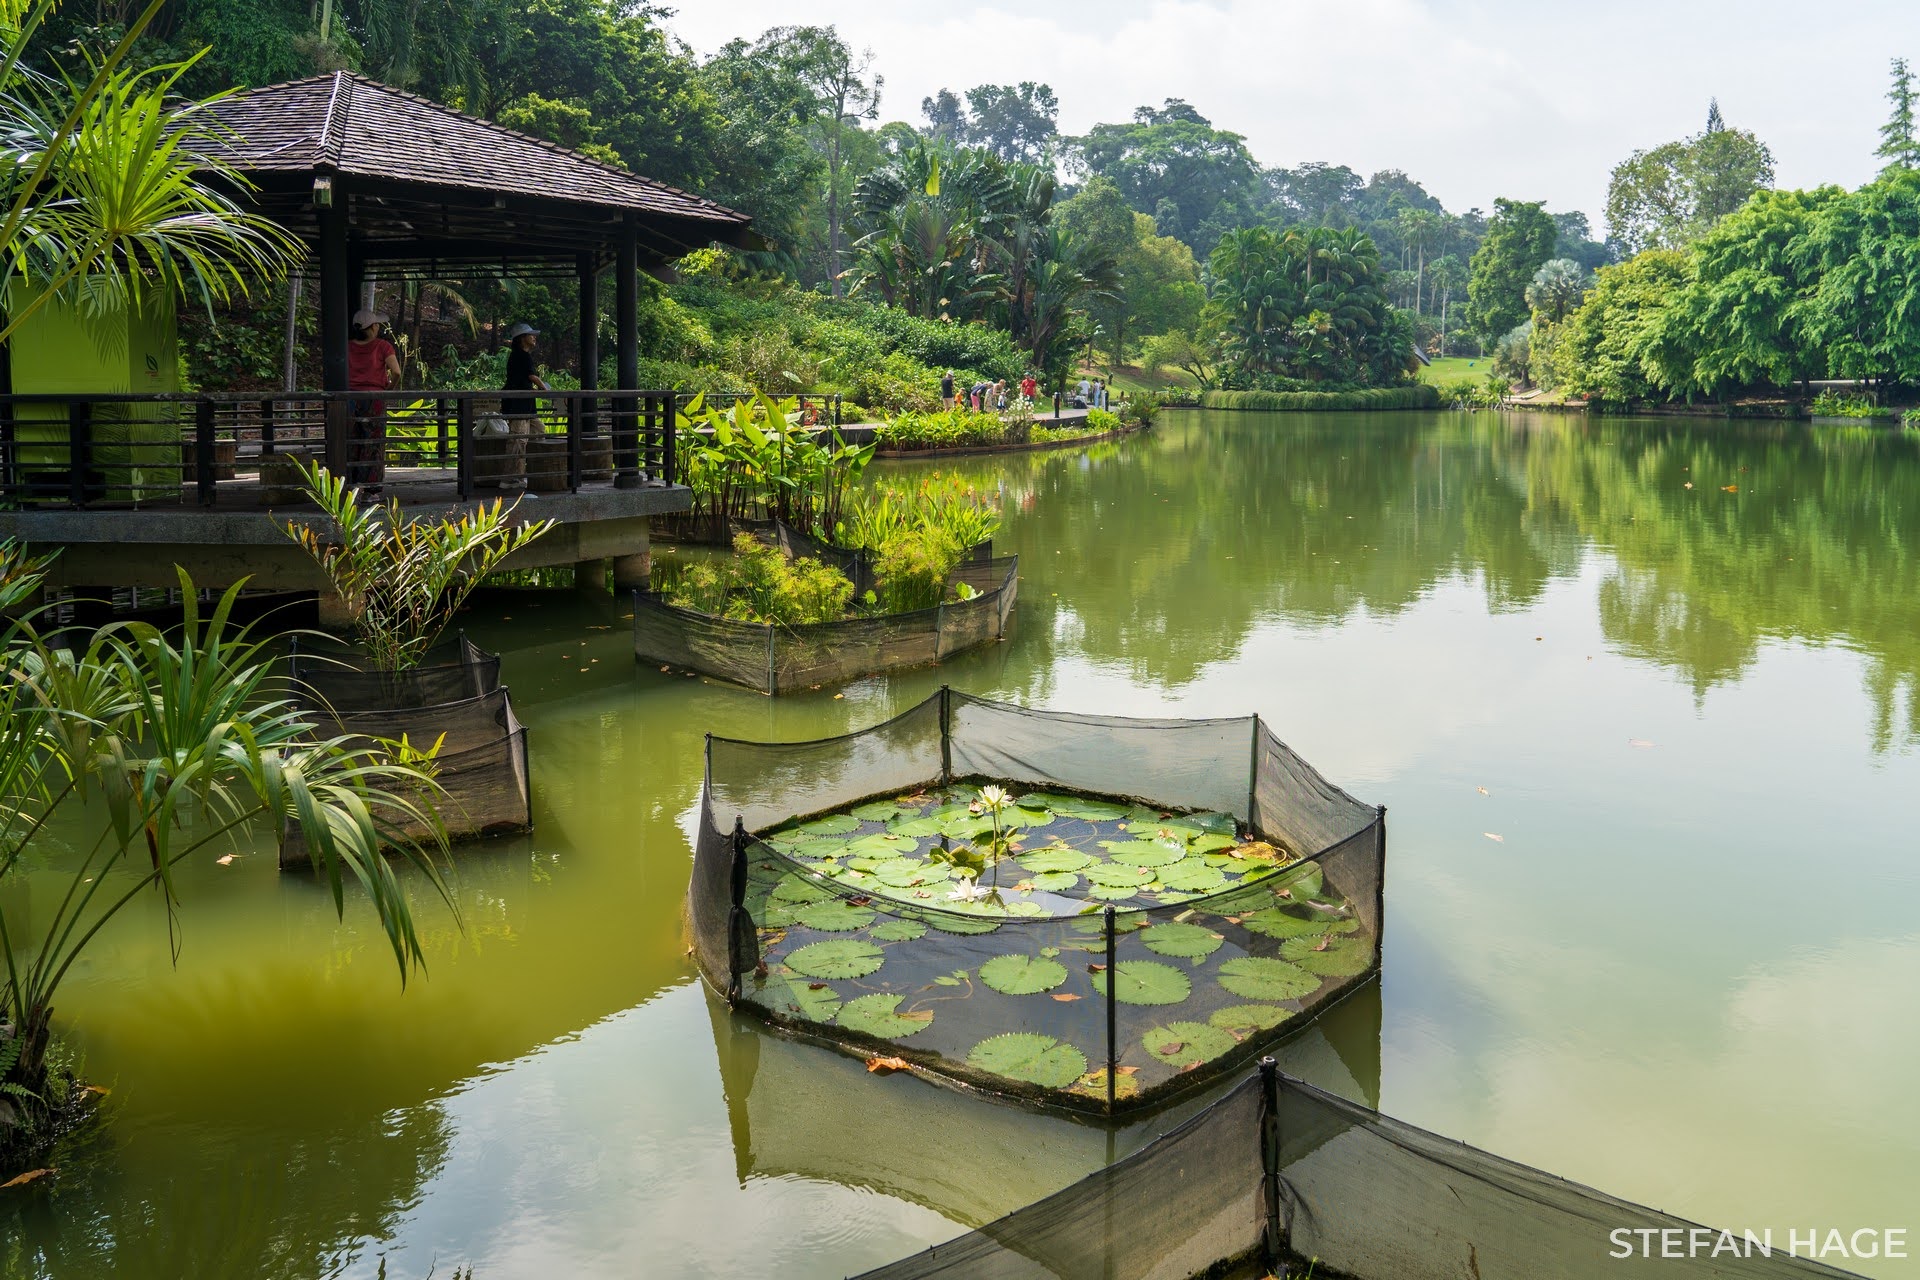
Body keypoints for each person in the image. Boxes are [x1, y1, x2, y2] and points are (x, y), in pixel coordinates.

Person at [346, 307, 401, 492]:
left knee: (353, 443)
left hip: (350, 400)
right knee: (374, 444)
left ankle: (352, 487)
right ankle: (372, 489)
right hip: (374, 400)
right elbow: (396, 371)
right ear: (373, 327)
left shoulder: (347, 346)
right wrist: (389, 389)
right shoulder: (383, 346)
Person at [503, 322, 549, 430]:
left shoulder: (519, 355)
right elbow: (532, 376)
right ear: (522, 338)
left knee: (539, 429)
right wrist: (544, 388)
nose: (534, 338)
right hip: (519, 404)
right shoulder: (521, 355)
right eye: (531, 335)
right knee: (519, 437)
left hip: (525, 403)